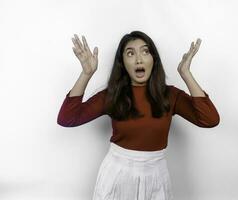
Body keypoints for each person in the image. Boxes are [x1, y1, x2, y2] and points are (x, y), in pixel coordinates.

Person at [57, 30, 220, 200]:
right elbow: (67, 118)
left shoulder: (170, 96)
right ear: (123, 63)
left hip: (156, 175)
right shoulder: (112, 95)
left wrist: (186, 74)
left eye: (145, 51)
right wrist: (86, 74)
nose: (138, 59)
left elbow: (210, 119)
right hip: (117, 174)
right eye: (130, 53)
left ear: (153, 59)